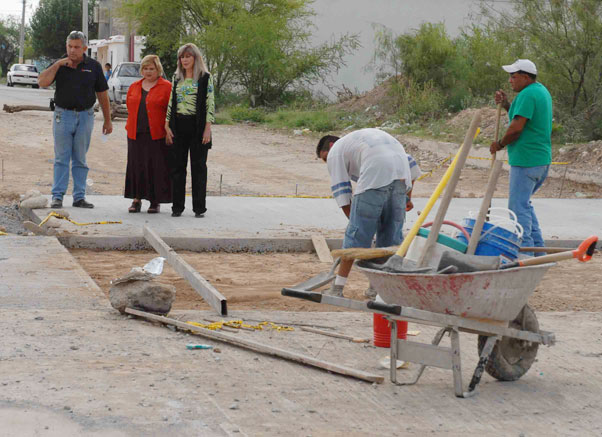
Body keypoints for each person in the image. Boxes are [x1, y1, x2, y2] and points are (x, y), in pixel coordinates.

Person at [316, 128, 415, 298]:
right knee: (390, 241)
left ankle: (337, 289)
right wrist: (407, 197)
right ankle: (378, 290)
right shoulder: (362, 141)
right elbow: (412, 166)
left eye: (325, 158)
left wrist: (356, 224)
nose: (327, 163)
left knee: (355, 238)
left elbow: (342, 193)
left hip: (375, 173)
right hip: (400, 175)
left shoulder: (337, 149)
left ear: (330, 146)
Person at [38, 30, 112, 209]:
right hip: (62, 115)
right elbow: (42, 82)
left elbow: (102, 94)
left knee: (80, 158)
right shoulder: (60, 64)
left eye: (77, 47)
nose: (73, 50)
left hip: (85, 116)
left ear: (84, 48)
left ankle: (79, 197)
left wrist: (107, 120)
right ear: (66, 46)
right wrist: (57, 64)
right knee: (61, 158)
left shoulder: (93, 66)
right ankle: (57, 196)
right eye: (70, 46)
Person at [490, 59, 552, 256]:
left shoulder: (527, 95)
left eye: (514, 76)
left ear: (526, 77)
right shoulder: (539, 91)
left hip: (527, 161)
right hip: (539, 159)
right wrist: (507, 104)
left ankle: (525, 252)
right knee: (524, 205)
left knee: (517, 208)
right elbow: (521, 116)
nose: (510, 80)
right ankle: (538, 251)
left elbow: (516, 129)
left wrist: (499, 144)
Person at [165, 43, 215, 218]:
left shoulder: (205, 77)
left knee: (199, 167)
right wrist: (167, 125)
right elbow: (171, 101)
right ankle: (177, 207)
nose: (184, 60)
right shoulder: (176, 77)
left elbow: (210, 103)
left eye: (188, 56)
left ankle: (199, 208)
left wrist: (207, 129)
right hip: (178, 125)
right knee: (178, 168)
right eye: (182, 57)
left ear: (195, 58)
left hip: (198, 126)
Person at [124, 55, 173, 214]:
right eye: (145, 68)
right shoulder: (134, 86)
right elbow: (129, 106)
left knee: (155, 168)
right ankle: (136, 199)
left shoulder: (167, 87)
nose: (148, 71)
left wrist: (169, 130)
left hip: (157, 134)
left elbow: (171, 112)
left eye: (151, 68)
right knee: (136, 167)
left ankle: (154, 201)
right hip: (135, 133)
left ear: (158, 69)